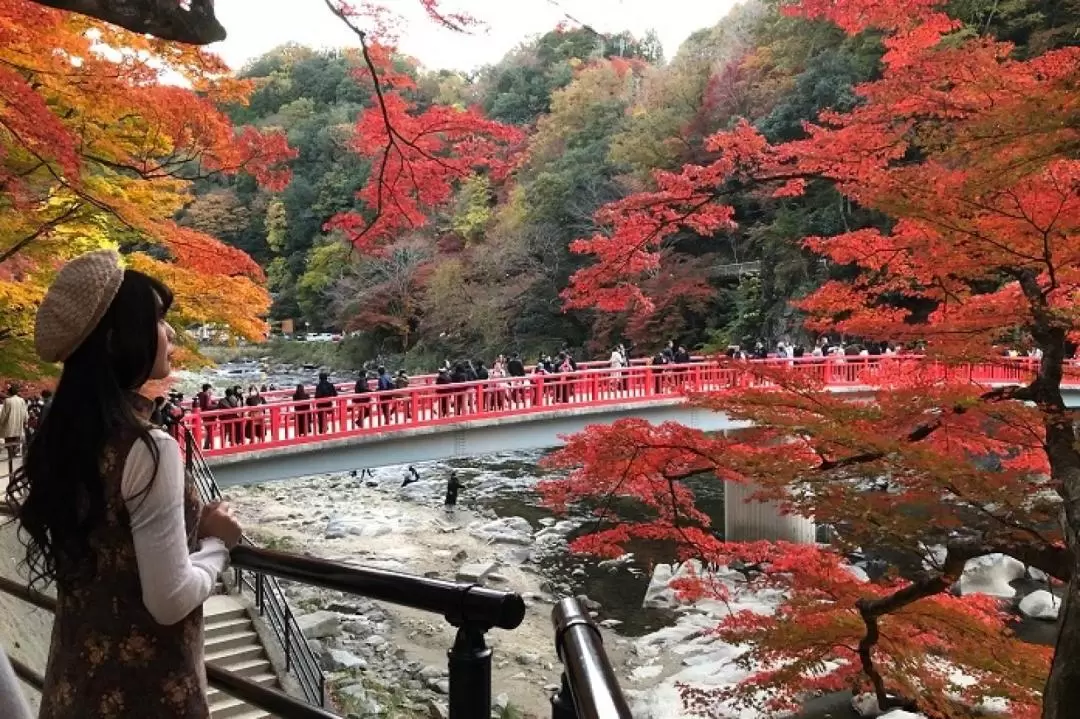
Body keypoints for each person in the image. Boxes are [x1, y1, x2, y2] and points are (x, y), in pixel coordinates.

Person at [5, 249, 242, 718]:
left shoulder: (63, 440)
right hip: (148, 693)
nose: (170, 333)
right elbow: (170, 599)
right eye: (157, 320)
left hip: (74, 683)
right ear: (116, 340)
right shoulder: (149, 449)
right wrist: (218, 544)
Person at [0, 385, 28, 460]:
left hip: (9, 424)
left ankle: (10, 455)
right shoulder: (21, 400)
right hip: (18, 423)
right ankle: (14, 453)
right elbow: (25, 412)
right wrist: (26, 421)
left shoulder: (7, 400)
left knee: (9, 441)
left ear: (10, 392)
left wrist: (1, 423)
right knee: (16, 439)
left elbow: (4, 414)